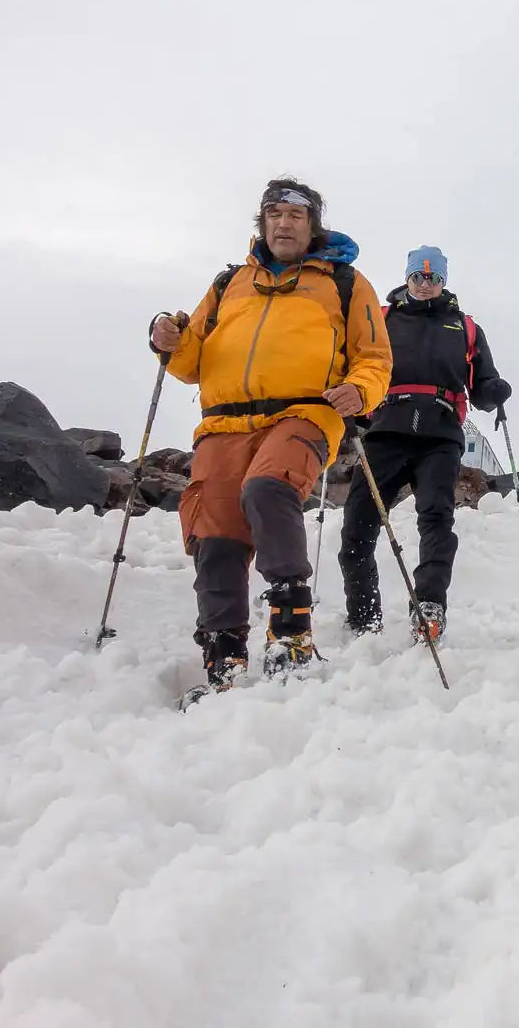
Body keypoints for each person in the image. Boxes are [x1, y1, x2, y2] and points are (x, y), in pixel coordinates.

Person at [148, 177, 391, 696]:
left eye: (296, 216)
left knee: (269, 488)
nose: (284, 224)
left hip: (305, 412)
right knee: (215, 535)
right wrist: (167, 338)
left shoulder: (345, 283)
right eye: (275, 214)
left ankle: (292, 632)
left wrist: (360, 391)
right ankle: (224, 651)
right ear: (262, 224)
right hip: (223, 422)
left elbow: (375, 358)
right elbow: (189, 363)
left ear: (313, 226)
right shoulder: (228, 282)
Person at [336, 246, 512, 641]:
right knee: (358, 520)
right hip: (386, 427)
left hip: (440, 431)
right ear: (408, 277)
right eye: (419, 276)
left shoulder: (465, 327)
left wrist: (494, 390)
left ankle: (430, 604)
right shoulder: (381, 320)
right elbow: (357, 365)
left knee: (436, 517)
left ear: (444, 282)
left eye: (434, 278)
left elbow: (482, 387)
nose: (426, 284)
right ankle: (363, 615)